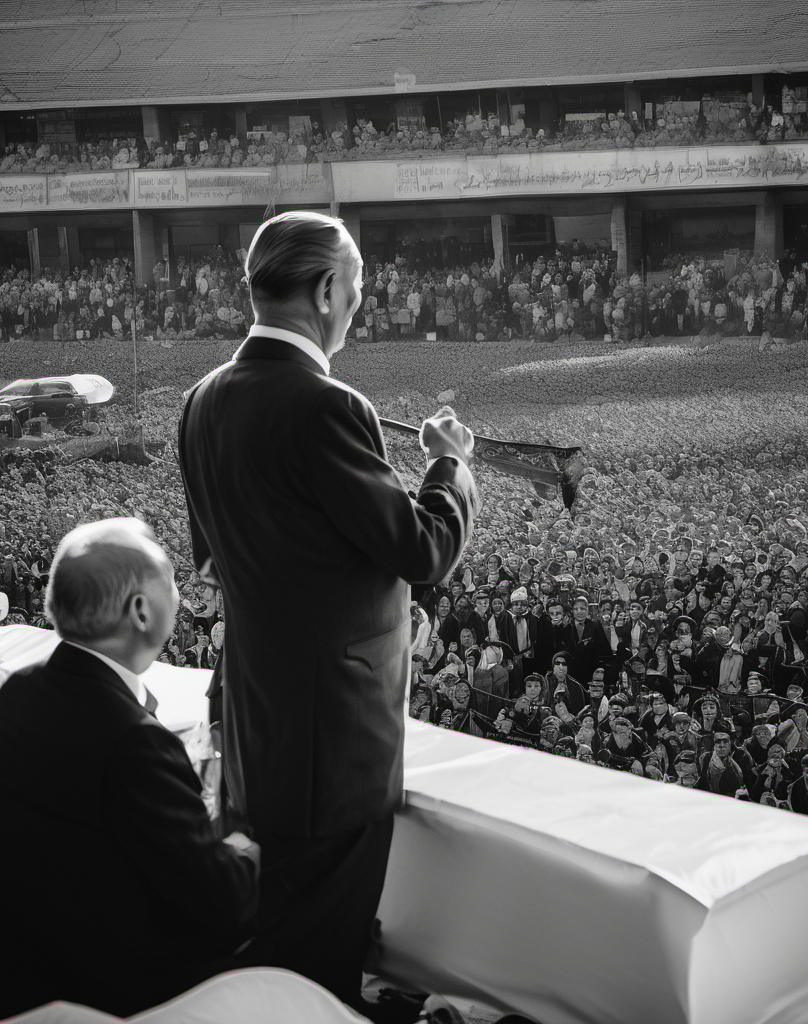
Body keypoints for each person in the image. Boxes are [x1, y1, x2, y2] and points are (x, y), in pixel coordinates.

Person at [178, 211, 478, 1019]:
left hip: (253, 726)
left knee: (270, 948)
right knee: (316, 970)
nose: (358, 304)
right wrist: (447, 467)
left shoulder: (201, 402)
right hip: (332, 751)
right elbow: (423, 549)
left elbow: (228, 556)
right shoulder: (329, 406)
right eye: (355, 286)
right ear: (321, 290)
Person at [0, 519, 259, 1023]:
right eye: (169, 579)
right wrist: (248, 849)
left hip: (21, 983)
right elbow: (224, 907)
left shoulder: (20, 692)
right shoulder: (134, 741)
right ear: (141, 610)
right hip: (118, 999)